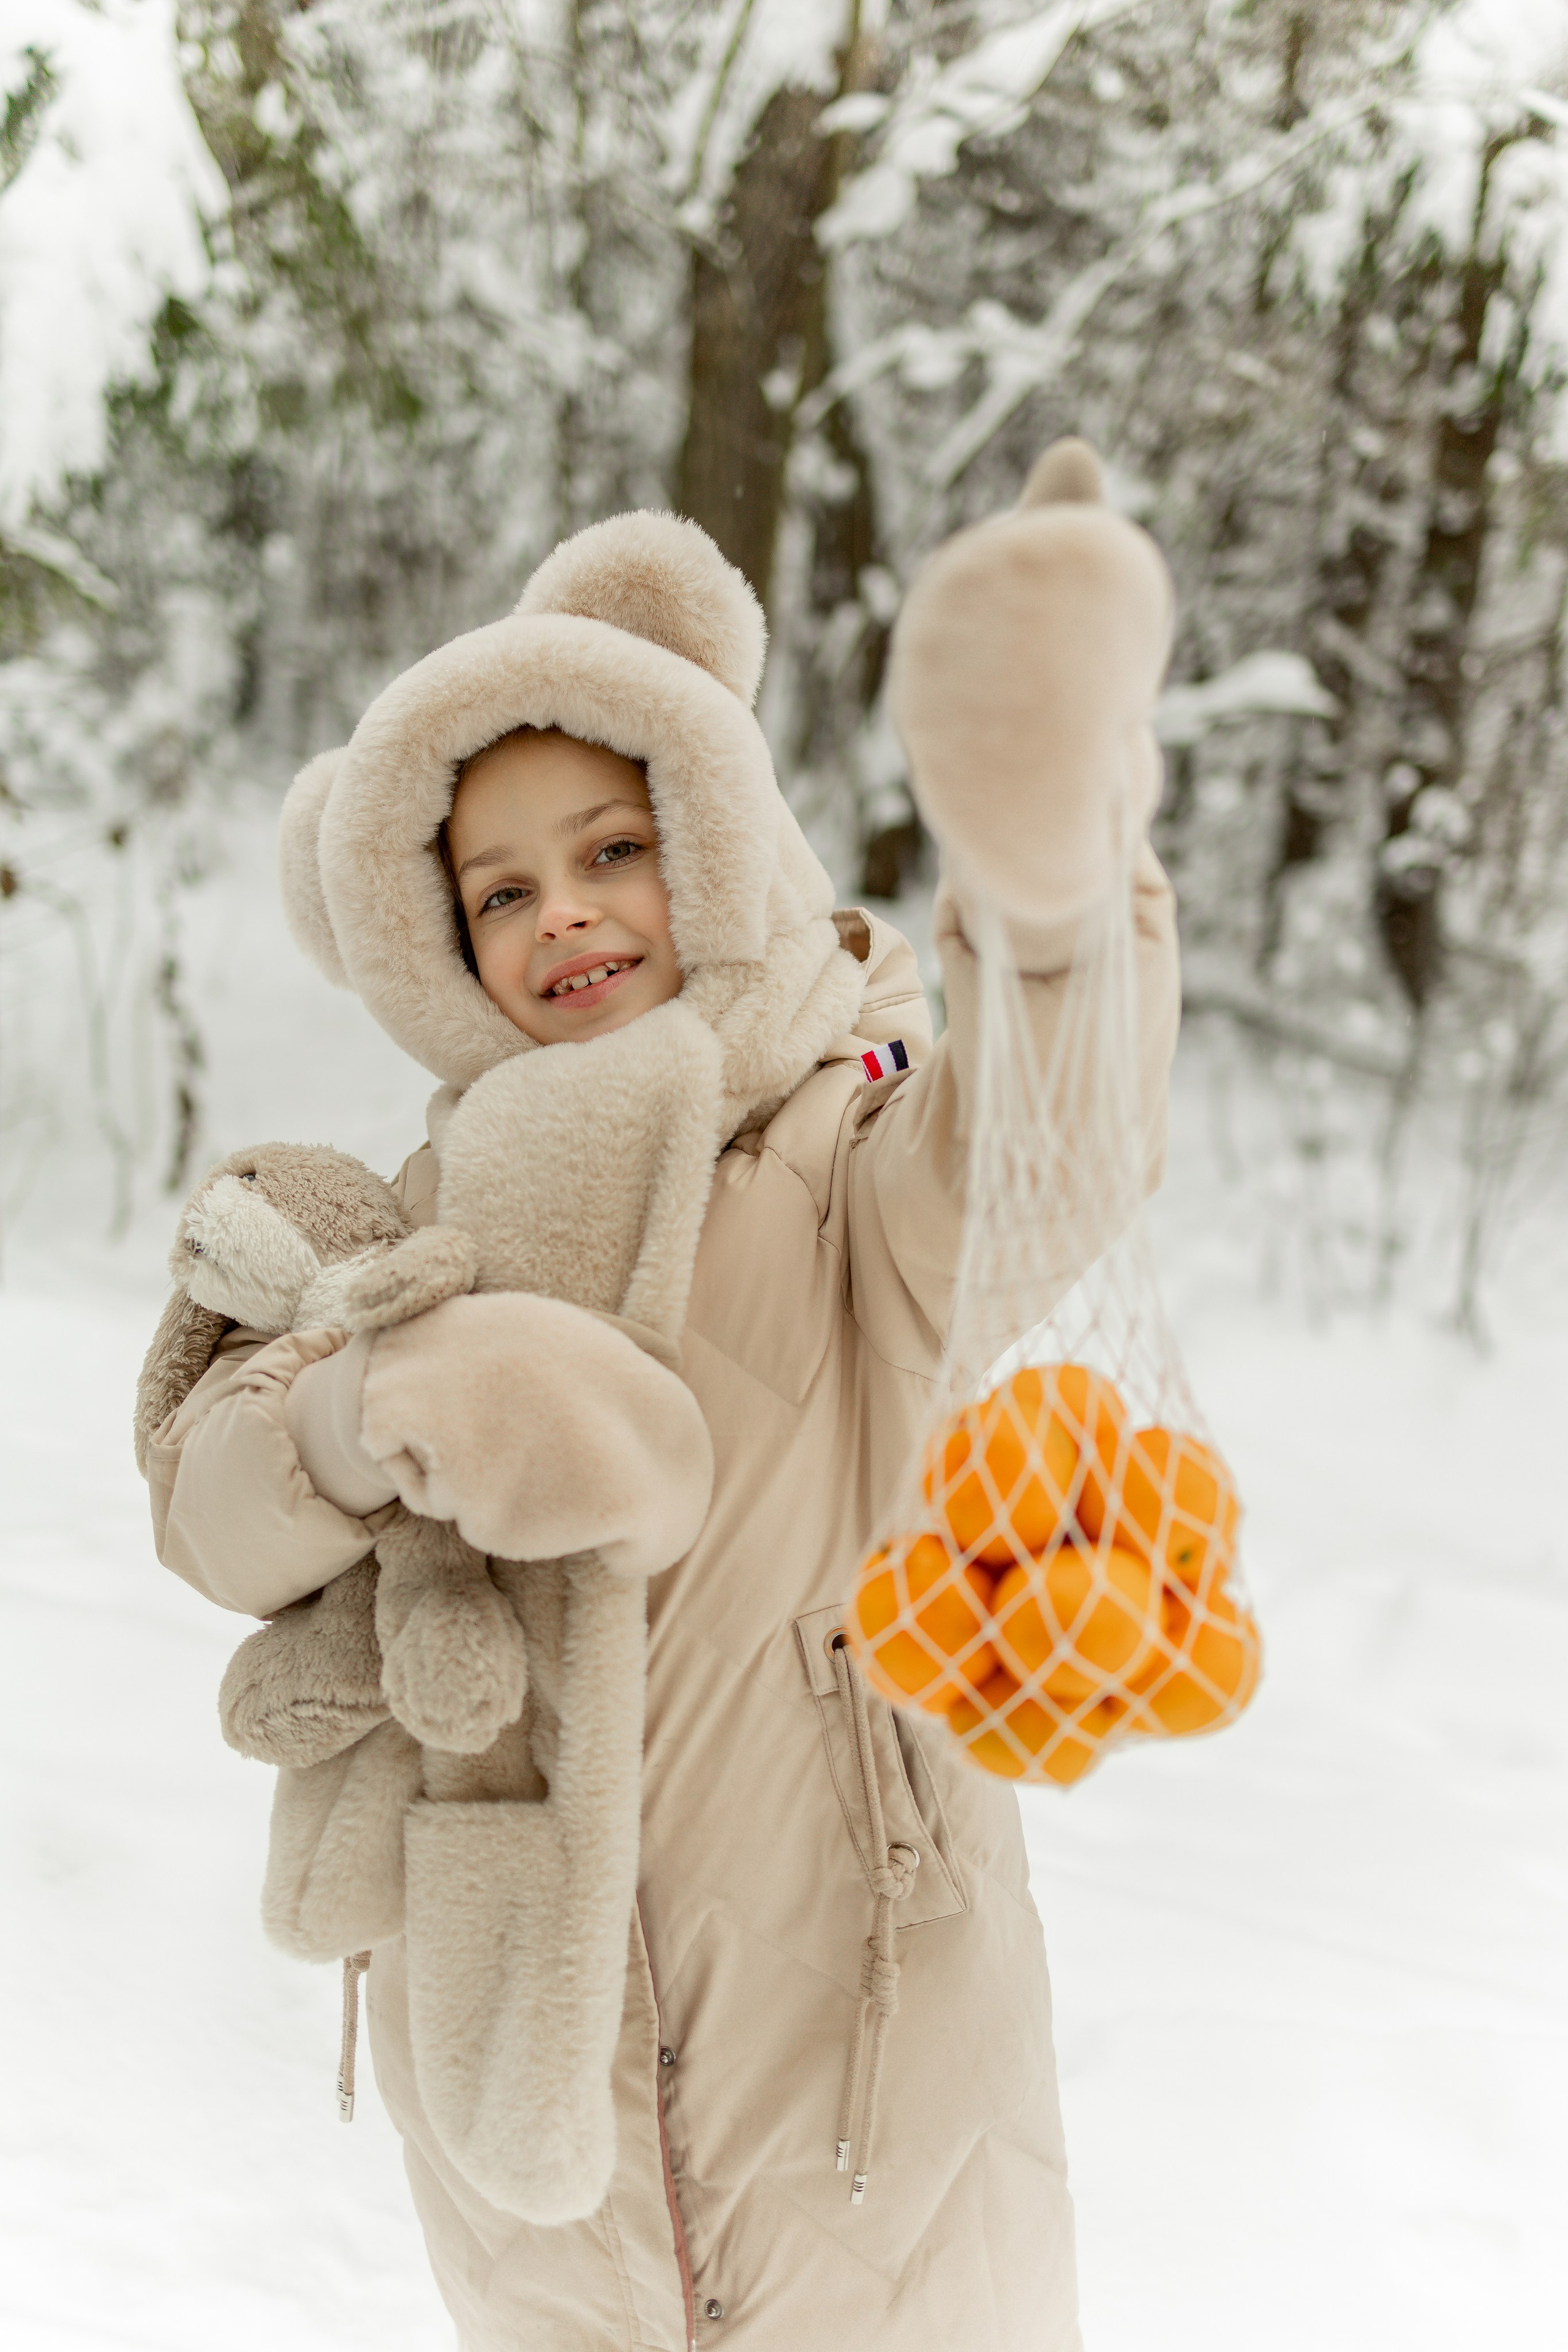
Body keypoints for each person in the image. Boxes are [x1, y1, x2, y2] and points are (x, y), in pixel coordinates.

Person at [145, 441, 1180, 2351]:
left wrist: (1052, 901)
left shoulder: (846, 1159)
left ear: (713, 840)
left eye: (615, 849)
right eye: (501, 889)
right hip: (536, 2127)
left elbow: (1051, 1141)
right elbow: (211, 1510)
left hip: (868, 2082)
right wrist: (357, 1413)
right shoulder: (433, 1228)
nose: (568, 917)